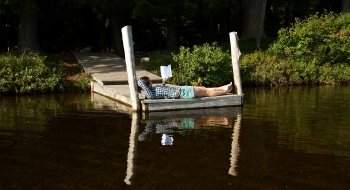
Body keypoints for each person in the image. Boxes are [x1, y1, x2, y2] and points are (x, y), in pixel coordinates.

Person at [137, 76, 233, 99]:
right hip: (183, 93)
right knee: (206, 92)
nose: (151, 82)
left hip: (182, 90)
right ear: (147, 84)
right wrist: (140, 82)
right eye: (150, 81)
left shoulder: (153, 90)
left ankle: (223, 88)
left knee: (205, 88)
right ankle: (224, 91)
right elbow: (146, 90)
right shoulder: (151, 94)